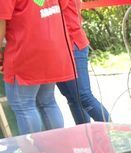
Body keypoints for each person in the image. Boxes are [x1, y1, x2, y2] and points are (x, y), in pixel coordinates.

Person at [0, 0, 75, 134]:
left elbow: (1, 20)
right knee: (48, 102)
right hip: (53, 47)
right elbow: (64, 5)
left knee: (24, 106)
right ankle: (57, 150)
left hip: (25, 49)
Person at [56, 0, 109, 124]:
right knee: (72, 98)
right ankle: (85, 138)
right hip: (59, 47)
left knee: (83, 96)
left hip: (72, 44)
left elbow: (42, 4)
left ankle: (113, 132)